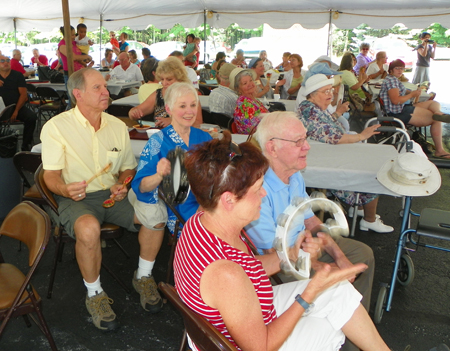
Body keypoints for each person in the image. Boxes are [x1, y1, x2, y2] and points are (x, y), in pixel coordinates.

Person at [174, 130, 391, 351]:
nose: (264, 195)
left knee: (339, 291)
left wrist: (289, 256)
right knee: (331, 327)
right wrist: (310, 292)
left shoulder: (202, 221)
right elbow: (261, 347)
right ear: (228, 200)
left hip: (246, 310)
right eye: (257, 190)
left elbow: (246, 269)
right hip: (251, 340)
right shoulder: (225, 274)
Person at [39, 68, 165, 331]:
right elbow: (49, 176)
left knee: (156, 214)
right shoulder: (57, 127)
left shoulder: (117, 125)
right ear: (78, 94)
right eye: (97, 88)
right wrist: (64, 189)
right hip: (77, 199)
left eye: (105, 87)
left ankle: (142, 276)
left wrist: (123, 183)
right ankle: (94, 294)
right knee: (88, 228)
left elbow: (128, 168)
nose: (106, 92)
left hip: (113, 195)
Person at [130, 82, 212, 297]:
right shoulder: (158, 141)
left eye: (193, 105)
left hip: (208, 203)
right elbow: (140, 186)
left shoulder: (204, 138)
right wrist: (158, 175)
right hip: (181, 208)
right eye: (182, 106)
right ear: (168, 109)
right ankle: (199, 288)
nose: (189, 111)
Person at [298, 74, 393, 233]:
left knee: (369, 163)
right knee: (371, 173)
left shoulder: (313, 107)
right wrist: (361, 136)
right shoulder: (310, 110)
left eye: (330, 90)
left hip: (331, 154)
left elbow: (324, 126)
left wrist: (338, 113)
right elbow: (333, 137)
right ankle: (369, 220)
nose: (331, 94)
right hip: (326, 160)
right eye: (325, 91)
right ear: (312, 95)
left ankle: (361, 207)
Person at [380, 59, 450, 159]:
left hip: (400, 108)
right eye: (397, 68)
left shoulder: (391, 79)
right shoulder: (392, 81)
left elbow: (398, 92)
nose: (400, 71)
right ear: (391, 70)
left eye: (402, 68)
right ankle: (439, 151)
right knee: (435, 120)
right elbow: (396, 100)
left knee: (433, 103)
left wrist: (409, 92)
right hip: (398, 112)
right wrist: (412, 94)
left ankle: (438, 112)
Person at [129, 57, 202, 128]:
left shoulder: (190, 95)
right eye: (162, 79)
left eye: (169, 79)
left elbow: (198, 122)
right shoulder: (158, 94)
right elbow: (137, 110)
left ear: (180, 79)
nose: (164, 83)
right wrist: (133, 112)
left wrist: (173, 121)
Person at [296, 63, 349, 132]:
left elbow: (327, 112)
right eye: (328, 77)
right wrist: (339, 112)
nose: (328, 80)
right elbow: (325, 123)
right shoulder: (309, 101)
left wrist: (335, 96)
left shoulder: (318, 92)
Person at [0, 54, 37, 151]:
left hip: (16, 106)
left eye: (7, 60)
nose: (6, 63)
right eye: (2, 61)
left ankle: (26, 144)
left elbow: (23, 95)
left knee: (31, 117)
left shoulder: (17, 75)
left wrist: (16, 110)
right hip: (0, 108)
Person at [231, 68, 269, 134]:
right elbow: (253, 129)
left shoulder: (253, 100)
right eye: (245, 83)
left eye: (251, 80)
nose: (250, 84)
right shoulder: (244, 104)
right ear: (238, 89)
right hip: (254, 139)